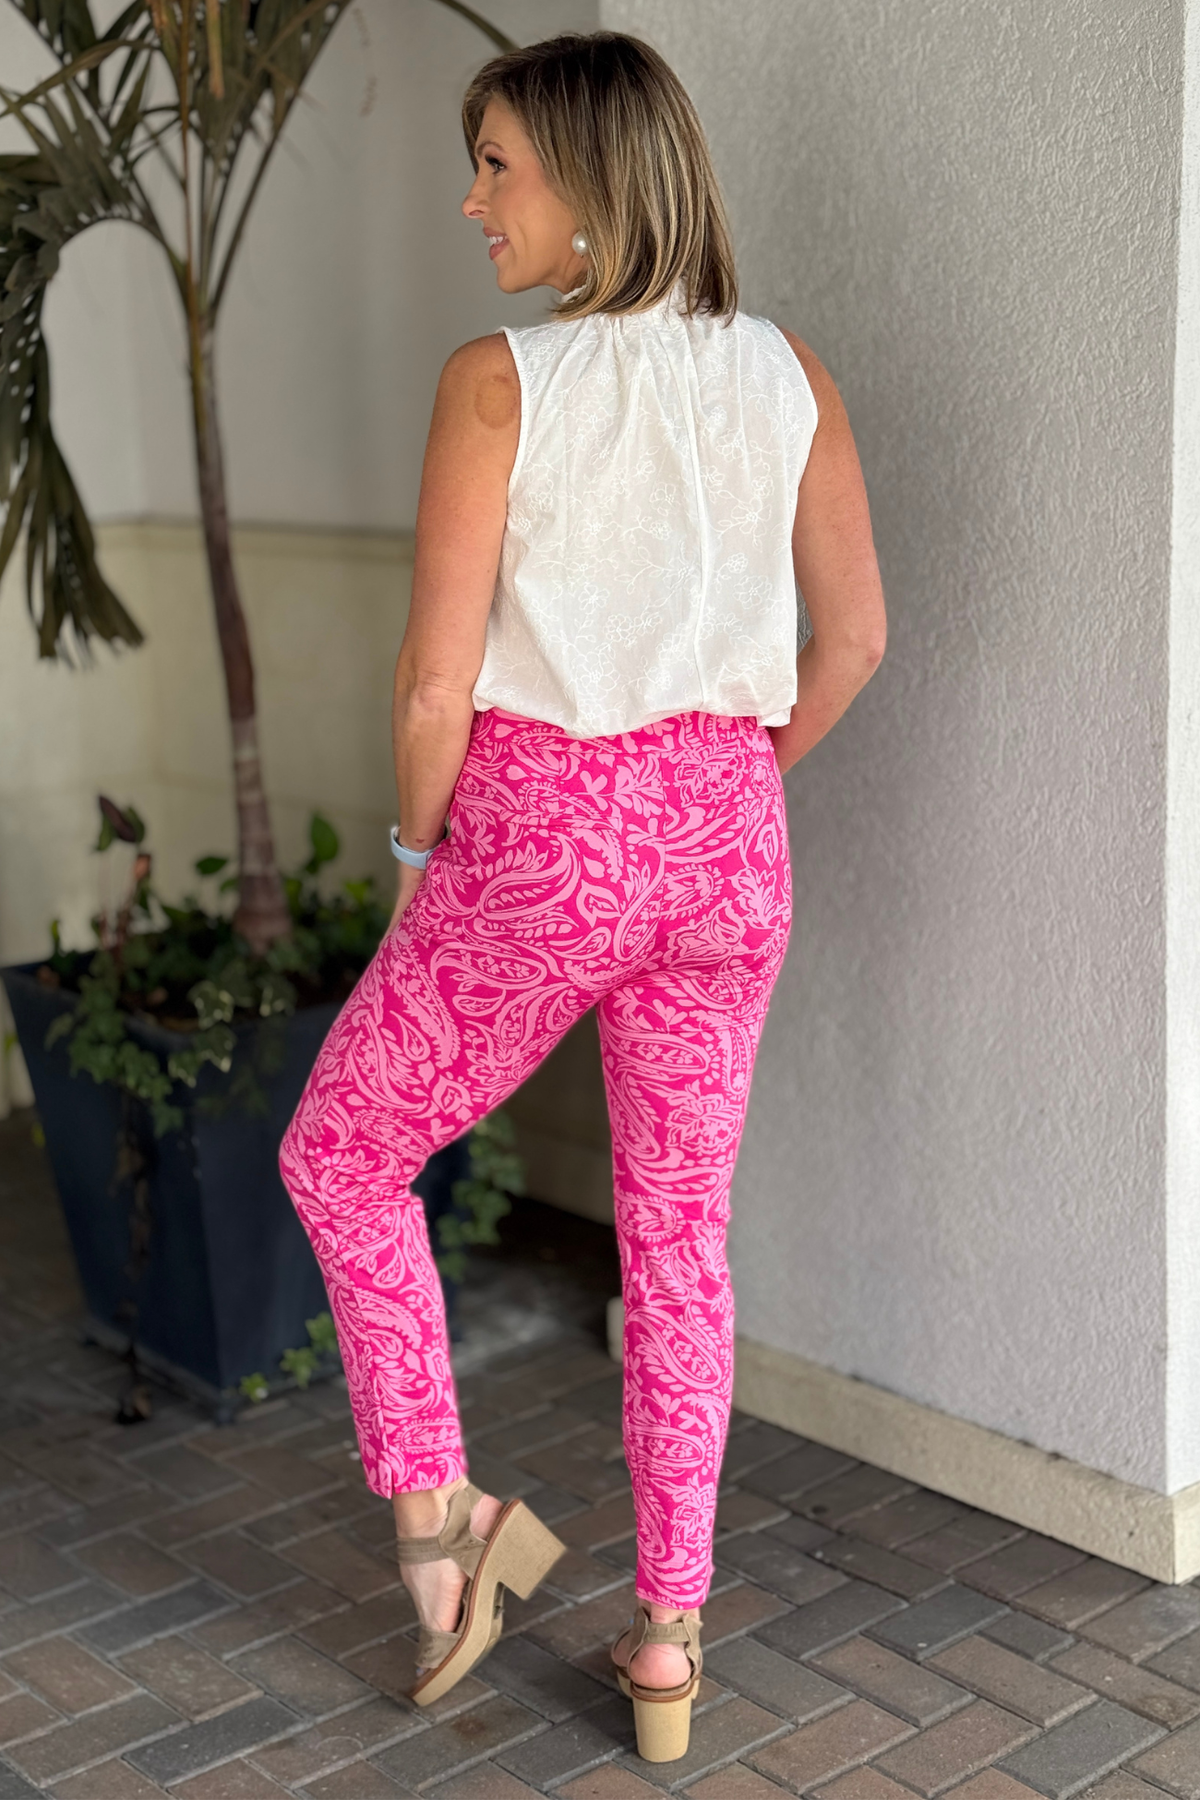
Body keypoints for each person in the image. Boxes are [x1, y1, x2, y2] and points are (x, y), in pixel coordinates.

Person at [279, 29, 886, 1764]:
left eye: (498, 166)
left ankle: (444, 1530)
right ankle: (671, 1640)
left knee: (341, 1152)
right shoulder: (791, 373)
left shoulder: (501, 382)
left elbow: (431, 688)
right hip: (728, 841)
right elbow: (855, 640)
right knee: (680, 1237)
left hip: (545, 843)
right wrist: (725, 791)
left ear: (598, 183)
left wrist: (422, 864)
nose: (473, 202)